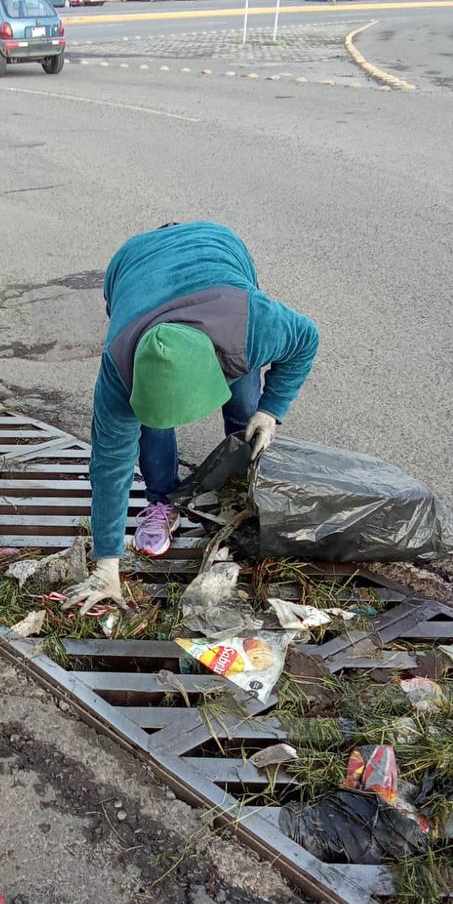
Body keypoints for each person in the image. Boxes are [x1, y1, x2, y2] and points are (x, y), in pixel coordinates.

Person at [66, 221, 320, 614]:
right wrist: (106, 567)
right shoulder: (119, 370)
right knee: (150, 427)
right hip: (133, 263)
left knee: (246, 406)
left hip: (215, 248)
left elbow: (306, 340)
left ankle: (240, 497)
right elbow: (110, 464)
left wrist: (271, 410)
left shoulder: (254, 329)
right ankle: (161, 501)